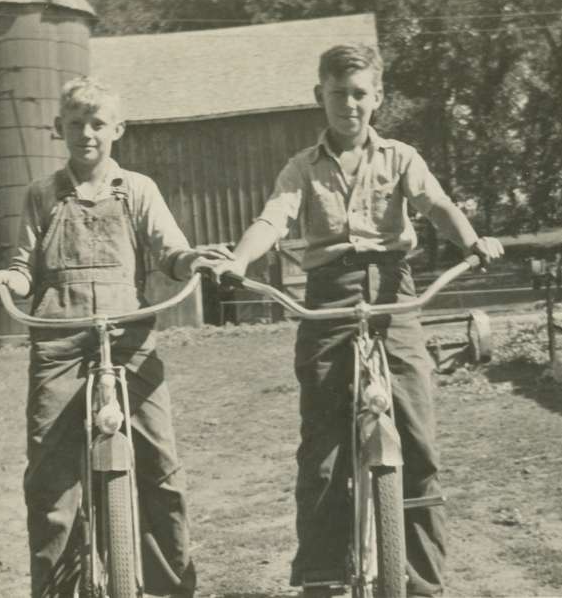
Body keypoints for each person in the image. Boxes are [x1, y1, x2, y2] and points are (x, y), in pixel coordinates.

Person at [212, 43, 504, 597]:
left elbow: (436, 205)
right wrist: (239, 258)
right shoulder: (301, 167)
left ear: (378, 98)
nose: (350, 104)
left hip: (394, 292)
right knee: (323, 448)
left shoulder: (400, 157)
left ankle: (421, 582)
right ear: (319, 96)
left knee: (417, 436)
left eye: (360, 94)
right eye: (338, 93)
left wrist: (472, 239)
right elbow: (274, 218)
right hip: (328, 298)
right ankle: (322, 576)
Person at [0, 76, 229, 598]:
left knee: (160, 466)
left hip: (127, 338)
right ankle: (56, 589)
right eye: (76, 124)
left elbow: (170, 249)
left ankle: (169, 588)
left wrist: (192, 260)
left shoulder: (138, 190)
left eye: (98, 124)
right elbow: (25, 267)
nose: (87, 134)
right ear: (59, 130)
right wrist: (13, 279)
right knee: (51, 482)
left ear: (118, 129)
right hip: (59, 342)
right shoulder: (41, 195)